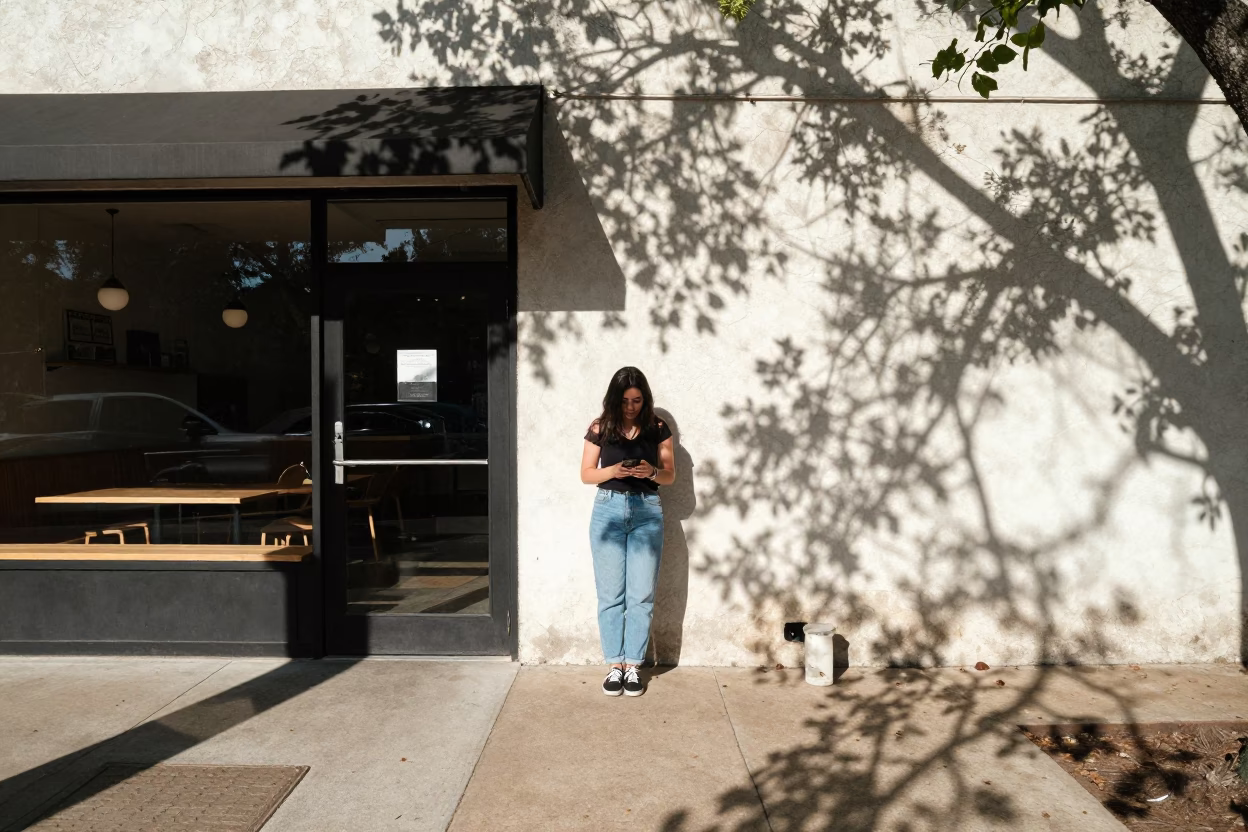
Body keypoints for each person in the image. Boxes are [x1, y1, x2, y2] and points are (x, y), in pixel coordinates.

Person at [581, 366, 675, 696]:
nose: (631, 407)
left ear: (645, 399)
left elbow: (670, 476)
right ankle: (614, 666)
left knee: (641, 594)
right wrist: (613, 470)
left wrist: (652, 471)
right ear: (614, 400)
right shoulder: (600, 427)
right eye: (625, 401)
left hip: (647, 511)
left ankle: (633, 665)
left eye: (637, 400)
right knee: (610, 595)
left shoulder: (657, 428)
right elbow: (586, 474)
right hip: (607, 510)